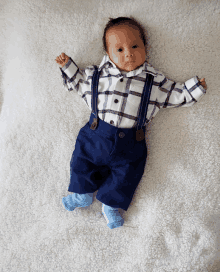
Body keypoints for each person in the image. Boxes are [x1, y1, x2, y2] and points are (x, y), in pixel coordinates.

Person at [55, 17, 207, 229]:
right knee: (82, 161)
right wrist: (68, 67)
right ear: (108, 54)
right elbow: (79, 83)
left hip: (131, 145)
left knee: (127, 175)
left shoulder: (153, 81)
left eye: (135, 46)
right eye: (119, 49)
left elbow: (174, 94)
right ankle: (82, 195)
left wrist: (194, 87)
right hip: (95, 136)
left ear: (146, 47)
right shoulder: (98, 75)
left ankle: (110, 206)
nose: (128, 53)